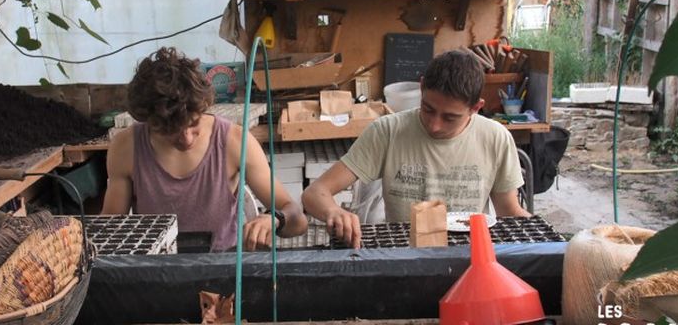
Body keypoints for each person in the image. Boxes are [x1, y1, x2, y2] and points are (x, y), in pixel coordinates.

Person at [302, 50, 531, 248]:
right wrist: (334, 211)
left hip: (470, 257)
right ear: (421, 88)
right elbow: (314, 193)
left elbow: (508, 211)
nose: (434, 125)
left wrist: (545, 236)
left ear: (476, 108)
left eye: (450, 117)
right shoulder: (388, 131)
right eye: (428, 109)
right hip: (403, 256)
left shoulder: (495, 137)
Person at [103, 47, 307, 252]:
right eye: (170, 131)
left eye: (193, 124)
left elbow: (297, 219)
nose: (186, 139)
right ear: (149, 121)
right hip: (154, 269)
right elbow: (111, 229)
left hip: (221, 268)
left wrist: (275, 219)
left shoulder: (235, 141)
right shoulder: (126, 148)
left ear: (203, 107)